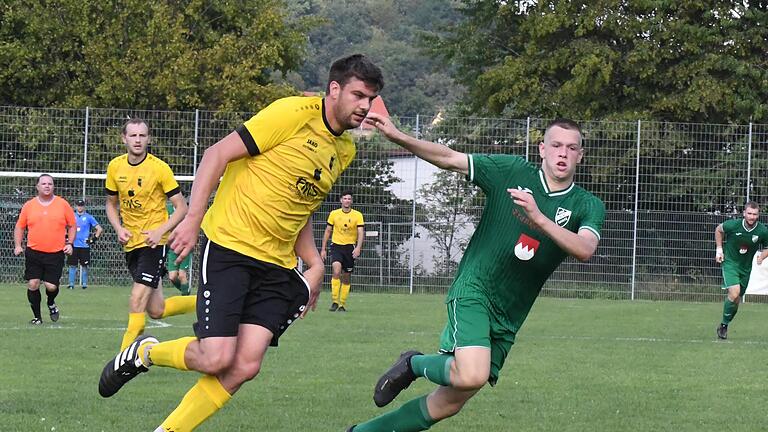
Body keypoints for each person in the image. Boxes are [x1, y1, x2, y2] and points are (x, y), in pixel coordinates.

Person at [97, 54, 384, 432]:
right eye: (359, 95)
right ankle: (146, 351)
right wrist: (193, 219)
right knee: (216, 357)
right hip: (232, 247)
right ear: (334, 89)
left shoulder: (344, 150)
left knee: (246, 365)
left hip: (278, 265)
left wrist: (313, 263)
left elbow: (302, 205)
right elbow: (216, 154)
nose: (365, 106)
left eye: (371, 98)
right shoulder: (291, 114)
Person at [345, 117, 605, 432]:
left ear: (581, 155)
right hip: (475, 289)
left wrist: (540, 220)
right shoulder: (510, 171)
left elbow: (585, 248)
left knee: (448, 403)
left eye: (571, 147)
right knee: (471, 374)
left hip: (510, 315)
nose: (562, 153)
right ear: (542, 149)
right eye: (556, 145)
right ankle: (412, 364)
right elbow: (448, 157)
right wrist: (399, 137)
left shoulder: (587, 204)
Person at [105, 118, 196, 351]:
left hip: (154, 243)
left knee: (136, 299)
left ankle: (121, 359)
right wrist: (119, 228)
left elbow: (182, 207)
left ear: (149, 139)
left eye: (142, 136)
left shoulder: (159, 168)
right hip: (131, 244)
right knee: (156, 310)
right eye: (133, 135)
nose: (138, 140)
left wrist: (159, 231)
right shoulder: (115, 167)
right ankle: (207, 301)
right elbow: (110, 204)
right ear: (123, 139)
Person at [13, 174, 76, 324]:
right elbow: (19, 227)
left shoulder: (62, 204)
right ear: (38, 186)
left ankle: (51, 303)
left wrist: (70, 243)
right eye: (44, 184)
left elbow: (72, 225)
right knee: (33, 283)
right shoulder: (29, 205)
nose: (47, 186)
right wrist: (17, 245)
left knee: (51, 286)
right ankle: (37, 317)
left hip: (55, 253)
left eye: (50, 184)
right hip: (34, 252)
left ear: (53, 186)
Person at [715, 202, 768, 340]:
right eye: (749, 213)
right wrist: (719, 249)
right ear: (744, 213)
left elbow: (767, 247)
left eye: (755, 214)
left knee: (736, 300)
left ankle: (724, 324)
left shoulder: (762, 231)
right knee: (734, 292)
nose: (751, 216)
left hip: (745, 268)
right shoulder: (733, 225)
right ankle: (724, 326)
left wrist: (762, 256)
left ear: (758, 215)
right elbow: (719, 230)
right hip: (730, 263)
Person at [321, 191, 364, 312]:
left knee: (346, 277)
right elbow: (328, 231)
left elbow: (361, 232)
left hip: (350, 247)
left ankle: (342, 304)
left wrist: (358, 247)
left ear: (351, 201)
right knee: (336, 270)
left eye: (349, 199)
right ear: (341, 200)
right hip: (336, 246)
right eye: (345, 198)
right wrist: (323, 249)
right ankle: (334, 301)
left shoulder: (357, 215)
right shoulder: (334, 214)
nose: (347, 201)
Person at [67, 199, 103, 289]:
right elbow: (64, 226)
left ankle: (84, 284)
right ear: (75, 206)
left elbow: (99, 229)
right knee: (72, 265)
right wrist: (67, 238)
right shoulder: (71, 216)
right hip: (73, 245)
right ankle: (71, 284)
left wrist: (93, 239)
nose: (80, 207)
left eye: (81, 205)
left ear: (84, 206)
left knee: (85, 266)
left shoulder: (89, 217)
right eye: (78, 205)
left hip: (84, 246)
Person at [166, 201, 192, 295]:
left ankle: (185, 298)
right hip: (173, 247)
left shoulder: (186, 210)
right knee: (172, 276)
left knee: (182, 275)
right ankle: (185, 291)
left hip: (184, 246)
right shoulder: (167, 209)